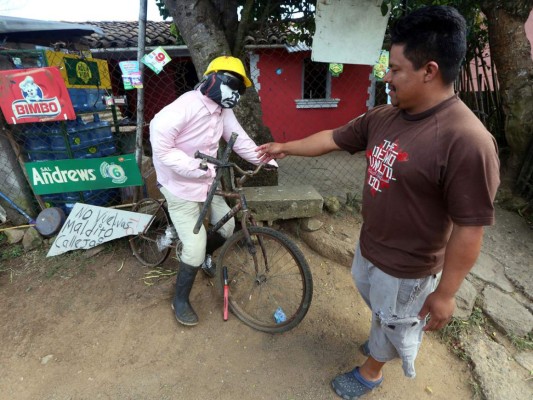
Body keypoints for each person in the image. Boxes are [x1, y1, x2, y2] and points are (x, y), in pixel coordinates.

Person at [256, 6, 500, 399]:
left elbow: (470, 228)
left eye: (396, 69)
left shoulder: (467, 141)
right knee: (380, 309)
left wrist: (446, 293)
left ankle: (371, 373)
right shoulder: (386, 116)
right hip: (371, 247)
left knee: (396, 320)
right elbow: (333, 138)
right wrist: (285, 146)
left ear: (430, 71)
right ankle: (381, 335)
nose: (386, 77)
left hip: (408, 268)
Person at [150, 55, 277, 327]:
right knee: (193, 248)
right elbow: (160, 147)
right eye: (232, 84)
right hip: (180, 185)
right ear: (212, 79)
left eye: (240, 88)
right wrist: (194, 167)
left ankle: (205, 254)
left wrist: (264, 159)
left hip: (209, 181)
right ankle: (180, 299)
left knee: (227, 227)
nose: (235, 92)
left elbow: (238, 138)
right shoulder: (183, 107)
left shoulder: (222, 109)